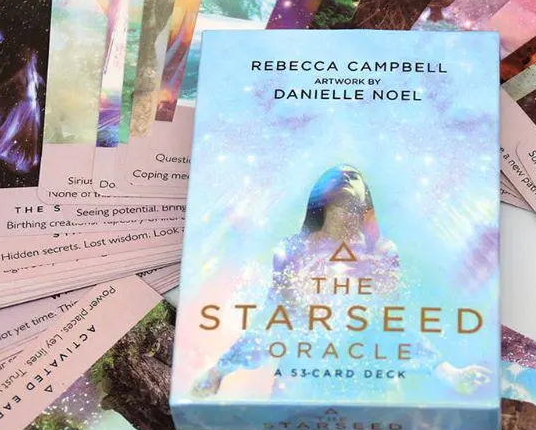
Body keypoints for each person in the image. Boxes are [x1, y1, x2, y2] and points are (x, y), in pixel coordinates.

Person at [191, 164, 491, 396]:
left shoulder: (382, 253)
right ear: (322, 207)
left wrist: (449, 373)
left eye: (355, 208)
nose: (348, 216)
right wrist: (219, 370)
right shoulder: (292, 251)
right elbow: (271, 319)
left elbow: (396, 324)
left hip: (368, 371)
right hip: (302, 371)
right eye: (339, 206)